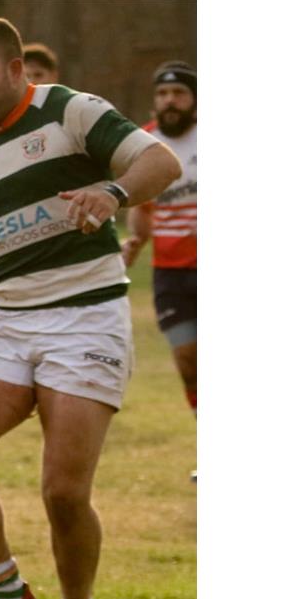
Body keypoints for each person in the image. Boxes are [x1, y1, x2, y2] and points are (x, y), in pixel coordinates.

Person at [0, 16, 181, 599]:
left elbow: (161, 160)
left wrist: (112, 191)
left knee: (63, 492)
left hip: (87, 317)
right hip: (8, 320)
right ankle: (5, 593)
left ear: (14, 70)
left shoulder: (70, 111)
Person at [122, 61, 197, 417]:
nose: (171, 101)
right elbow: (141, 207)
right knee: (187, 362)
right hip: (170, 274)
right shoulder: (146, 147)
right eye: (163, 94)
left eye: (179, 93)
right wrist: (134, 240)